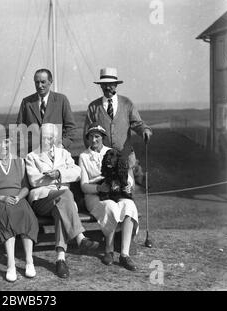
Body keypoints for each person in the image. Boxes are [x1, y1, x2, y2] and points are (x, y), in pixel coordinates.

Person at [25, 123, 99, 279]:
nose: (49, 141)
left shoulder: (64, 154)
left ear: (56, 138)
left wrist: (59, 173)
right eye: (45, 138)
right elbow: (33, 180)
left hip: (61, 201)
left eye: (51, 138)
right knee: (65, 194)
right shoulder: (32, 156)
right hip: (42, 199)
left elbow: (77, 172)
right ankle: (80, 237)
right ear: (40, 138)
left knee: (62, 206)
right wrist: (49, 178)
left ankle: (60, 259)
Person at [79, 123, 139, 271]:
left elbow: (125, 174)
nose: (93, 140)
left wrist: (128, 185)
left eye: (97, 136)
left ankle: (124, 254)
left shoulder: (113, 152)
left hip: (116, 192)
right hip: (94, 195)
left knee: (129, 206)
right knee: (110, 206)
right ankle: (109, 249)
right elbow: (84, 186)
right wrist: (100, 188)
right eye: (91, 137)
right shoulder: (84, 156)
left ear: (103, 138)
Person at [0, 137, 39, 282]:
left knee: (25, 213)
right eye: (0, 144)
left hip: (17, 199)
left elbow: (26, 187)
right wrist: (2, 198)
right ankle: (11, 264)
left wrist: (19, 197)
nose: (4, 147)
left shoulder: (19, 161)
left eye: (7, 144)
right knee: (7, 213)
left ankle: (29, 261)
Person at [84, 67, 152, 184]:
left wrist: (144, 130)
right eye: (104, 85)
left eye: (111, 84)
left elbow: (137, 123)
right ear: (100, 86)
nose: (107, 87)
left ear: (116, 85)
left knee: (127, 190)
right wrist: (94, 155)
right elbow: (87, 134)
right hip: (103, 161)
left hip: (125, 158)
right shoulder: (93, 107)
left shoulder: (126, 103)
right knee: (107, 193)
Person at [16, 69, 77, 153]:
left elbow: (71, 128)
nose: (40, 85)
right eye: (37, 82)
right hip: (32, 154)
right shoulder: (26, 102)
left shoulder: (61, 100)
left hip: (55, 153)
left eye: (43, 82)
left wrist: (62, 145)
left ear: (50, 82)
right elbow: (20, 129)